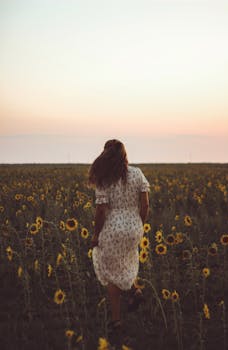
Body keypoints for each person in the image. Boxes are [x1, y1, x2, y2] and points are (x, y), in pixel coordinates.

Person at [88, 139, 150, 331]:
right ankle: (135, 292)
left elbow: (100, 212)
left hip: (112, 229)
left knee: (111, 274)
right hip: (134, 227)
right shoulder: (137, 173)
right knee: (125, 263)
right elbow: (145, 205)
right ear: (124, 154)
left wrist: (96, 235)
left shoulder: (104, 178)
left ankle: (116, 321)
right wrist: (138, 223)